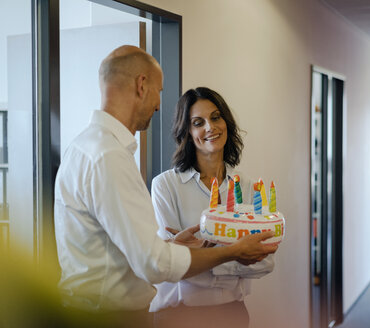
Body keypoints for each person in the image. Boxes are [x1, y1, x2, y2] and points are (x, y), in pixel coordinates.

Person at [54, 45, 277, 328]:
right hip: (111, 317)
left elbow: (133, 250)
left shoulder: (90, 148)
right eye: (159, 92)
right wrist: (233, 252)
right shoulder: (108, 157)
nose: (158, 105)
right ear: (142, 85)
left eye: (216, 117)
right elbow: (155, 264)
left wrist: (171, 245)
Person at [150, 87, 275, 328]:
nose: (210, 127)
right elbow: (172, 266)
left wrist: (200, 257)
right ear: (187, 131)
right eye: (198, 122)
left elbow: (265, 263)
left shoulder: (247, 186)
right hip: (178, 317)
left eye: (216, 117)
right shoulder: (165, 186)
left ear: (226, 121)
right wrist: (237, 253)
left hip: (232, 314)